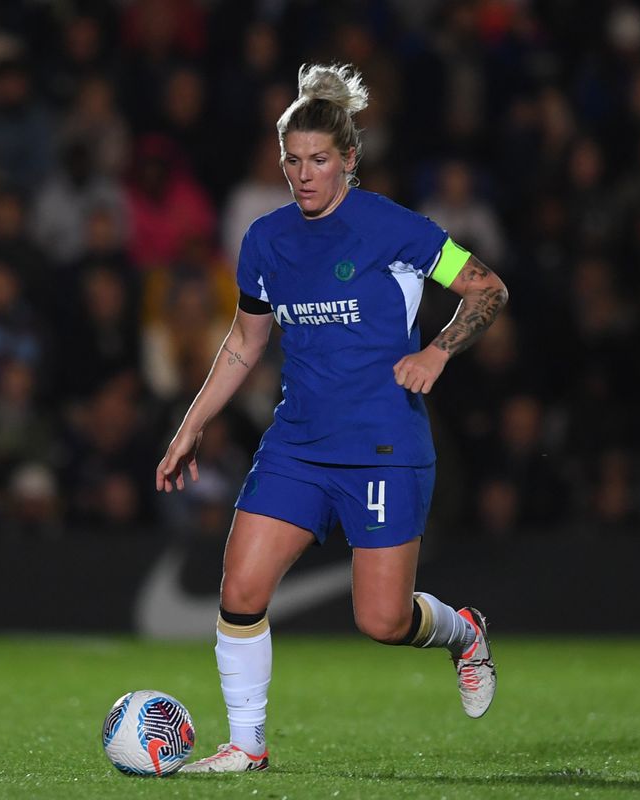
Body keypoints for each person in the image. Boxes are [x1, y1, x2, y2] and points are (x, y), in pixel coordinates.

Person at [155, 64, 509, 773]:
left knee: (382, 621)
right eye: (293, 160)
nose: (305, 174)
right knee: (240, 588)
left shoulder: (392, 227)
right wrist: (191, 423)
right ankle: (247, 746)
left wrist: (438, 351)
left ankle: (463, 632)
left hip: (384, 444)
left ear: (349, 158)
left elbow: (488, 290)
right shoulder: (265, 241)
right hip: (298, 445)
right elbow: (244, 344)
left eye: (320, 160)